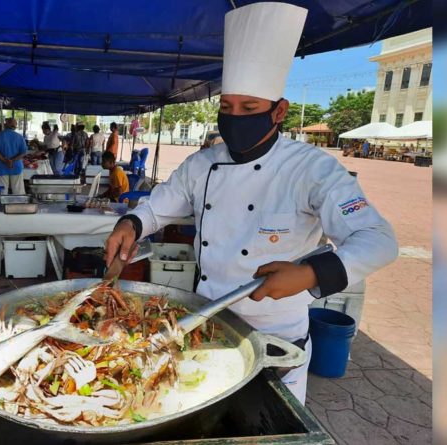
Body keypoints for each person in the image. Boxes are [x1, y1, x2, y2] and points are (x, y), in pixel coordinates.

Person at [103, 2, 397, 405]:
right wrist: (131, 225)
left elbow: (378, 240)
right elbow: (157, 208)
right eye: (227, 108)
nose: (235, 117)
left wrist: (309, 273)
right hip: (208, 324)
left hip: (277, 336)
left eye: (249, 109)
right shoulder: (202, 163)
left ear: (279, 111)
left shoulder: (311, 169)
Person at [0, 117, 27, 194]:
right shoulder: (19, 137)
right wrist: (12, 161)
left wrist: (5, 161)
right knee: (18, 191)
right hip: (16, 166)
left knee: (2, 191)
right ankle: (18, 205)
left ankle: (3, 205)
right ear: (15, 126)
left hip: (2, 166)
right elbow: (23, 152)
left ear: (5, 125)